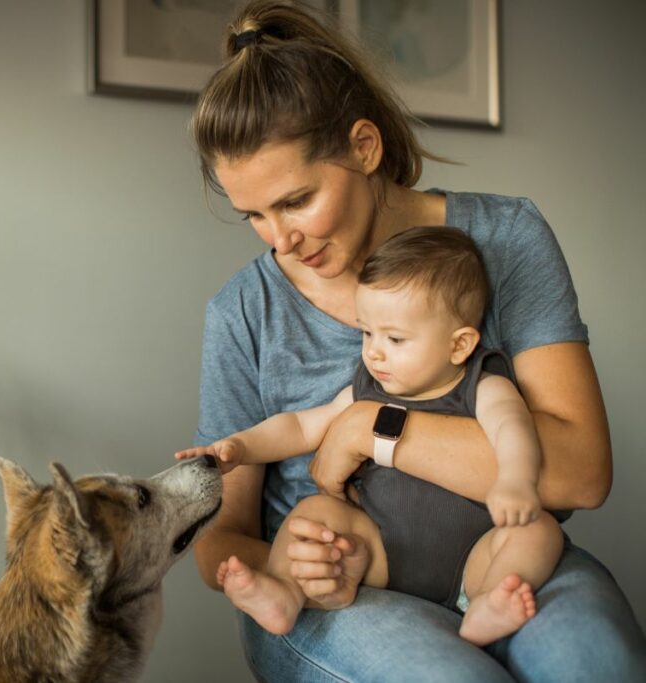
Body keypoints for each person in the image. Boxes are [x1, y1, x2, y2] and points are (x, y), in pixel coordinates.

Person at [187, 1, 646, 680]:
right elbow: (219, 542)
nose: (280, 240)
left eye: (296, 201)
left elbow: (581, 472)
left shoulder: (504, 240)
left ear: (364, 147)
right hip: (346, 581)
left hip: (496, 554)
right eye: (253, 214)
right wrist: (304, 564)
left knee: (595, 663)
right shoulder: (243, 312)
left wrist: (373, 428)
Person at [177, 226, 564, 647]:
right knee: (314, 512)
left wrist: (516, 481)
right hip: (379, 551)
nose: (374, 352)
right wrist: (242, 446)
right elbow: (301, 426)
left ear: (459, 346)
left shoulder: (483, 386)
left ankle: (488, 602)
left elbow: (513, 429)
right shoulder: (368, 388)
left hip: (474, 557)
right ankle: (286, 592)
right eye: (367, 332)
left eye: (395, 338)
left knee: (539, 531)